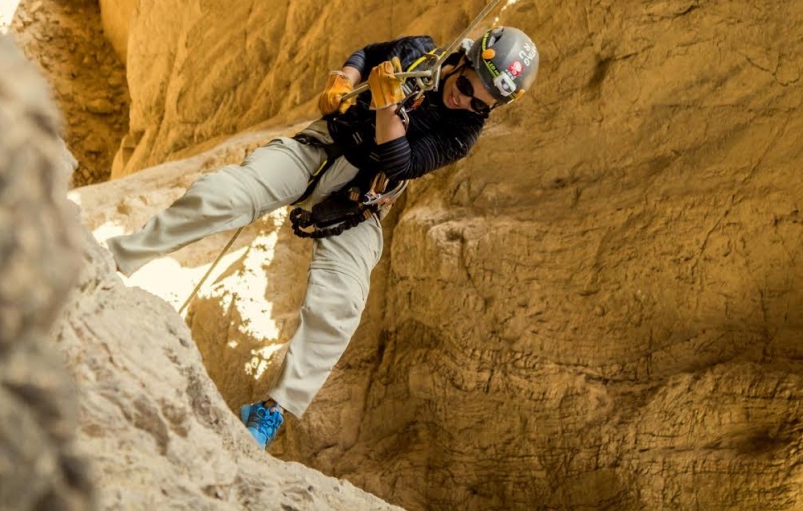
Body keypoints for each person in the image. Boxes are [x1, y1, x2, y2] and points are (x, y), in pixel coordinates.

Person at [106, 26, 539, 449]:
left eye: (478, 104)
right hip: (321, 149)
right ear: (462, 59)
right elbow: (369, 52)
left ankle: (272, 410)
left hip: (361, 198)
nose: (462, 100)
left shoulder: (462, 132)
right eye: (465, 85)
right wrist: (346, 78)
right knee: (224, 195)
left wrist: (388, 106)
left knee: (343, 302)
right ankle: (114, 260)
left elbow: (401, 163)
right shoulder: (421, 52)